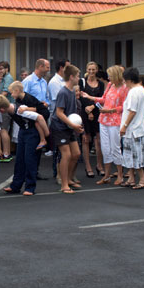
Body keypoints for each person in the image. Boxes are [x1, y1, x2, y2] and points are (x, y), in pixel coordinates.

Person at [0, 95, 48, 196]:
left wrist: (46, 134)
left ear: (1, 109)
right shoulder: (11, 110)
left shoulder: (20, 110)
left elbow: (39, 117)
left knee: (29, 159)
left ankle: (30, 187)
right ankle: (16, 185)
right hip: (23, 131)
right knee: (19, 159)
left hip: (32, 133)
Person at [85, 65, 128, 186]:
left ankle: (120, 174)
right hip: (103, 119)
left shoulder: (125, 88)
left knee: (115, 147)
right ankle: (107, 175)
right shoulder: (110, 85)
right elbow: (104, 99)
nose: (108, 78)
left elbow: (124, 106)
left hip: (114, 120)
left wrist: (110, 111)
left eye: (110, 76)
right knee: (105, 148)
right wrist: (89, 97)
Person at [51, 64, 84, 194]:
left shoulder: (71, 91)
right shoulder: (63, 92)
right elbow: (59, 112)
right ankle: (64, 185)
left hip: (68, 126)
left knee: (76, 153)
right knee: (66, 154)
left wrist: (75, 126)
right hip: (59, 126)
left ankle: (69, 179)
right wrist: (72, 124)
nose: (79, 78)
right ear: (71, 77)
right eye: (77, 76)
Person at [120, 68, 144, 189]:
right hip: (139, 127)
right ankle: (131, 177)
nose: (124, 83)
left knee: (136, 155)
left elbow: (132, 111)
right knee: (130, 154)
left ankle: (143, 179)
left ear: (129, 80)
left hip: (133, 129)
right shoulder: (142, 90)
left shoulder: (133, 92)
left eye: (125, 81)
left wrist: (124, 126)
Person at [79, 61, 105, 178]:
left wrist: (93, 107)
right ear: (86, 70)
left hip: (97, 113)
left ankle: (99, 165)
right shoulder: (82, 82)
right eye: (89, 69)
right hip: (84, 113)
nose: (91, 72)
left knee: (98, 140)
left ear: (96, 70)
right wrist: (87, 108)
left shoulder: (101, 84)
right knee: (86, 139)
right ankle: (88, 166)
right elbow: (79, 97)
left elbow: (101, 99)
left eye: (93, 69)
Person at [9, 82, 50, 149]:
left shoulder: (28, 98)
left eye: (12, 92)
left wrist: (26, 109)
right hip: (35, 112)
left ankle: (43, 139)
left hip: (42, 111)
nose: (11, 95)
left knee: (37, 123)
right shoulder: (18, 99)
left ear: (17, 90)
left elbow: (35, 108)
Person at [0, 61, 14, 162]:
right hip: (3, 107)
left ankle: (6, 153)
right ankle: (5, 152)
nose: (0, 71)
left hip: (5, 107)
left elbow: (5, 92)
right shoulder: (4, 78)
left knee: (3, 129)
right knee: (4, 129)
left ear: (7, 69)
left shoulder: (8, 78)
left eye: (1, 68)